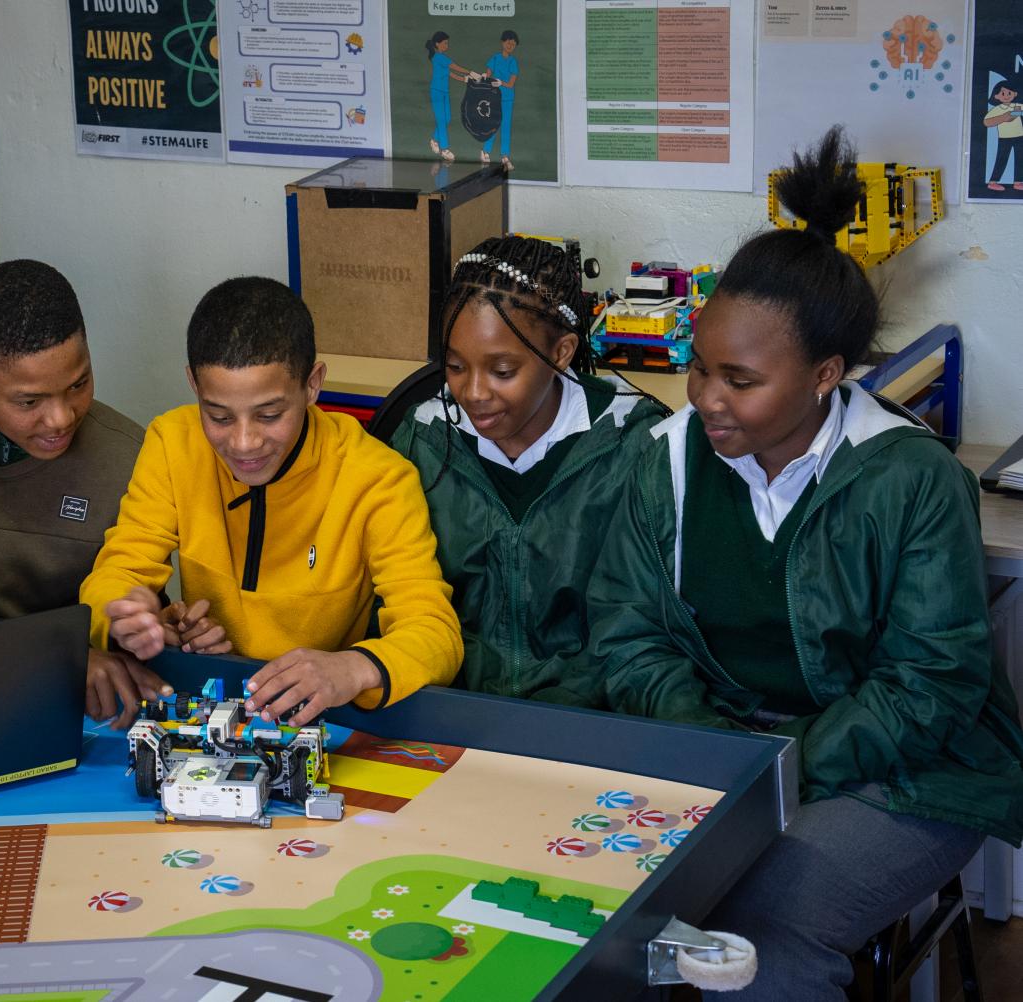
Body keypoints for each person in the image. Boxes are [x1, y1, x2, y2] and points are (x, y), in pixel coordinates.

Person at [587, 127, 1023, 1000]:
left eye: (739, 381)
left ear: (827, 374)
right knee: (608, 920)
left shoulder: (910, 477)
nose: (706, 398)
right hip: (725, 756)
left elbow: (931, 684)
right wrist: (719, 757)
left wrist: (781, 774)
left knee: (752, 939)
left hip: (901, 777)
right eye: (698, 368)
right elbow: (629, 636)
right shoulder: (663, 458)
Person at [79, 277, 462, 725]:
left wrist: (352, 667)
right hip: (206, 698)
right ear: (193, 385)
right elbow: (117, 572)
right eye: (218, 415)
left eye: (269, 415)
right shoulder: (172, 443)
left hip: (321, 719)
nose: (244, 442)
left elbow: (437, 633)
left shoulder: (378, 478)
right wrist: (128, 617)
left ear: (313, 384)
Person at [389, 236, 667, 704]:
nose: (473, 392)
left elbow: (643, 630)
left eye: (501, 370)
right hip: (451, 709)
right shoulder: (423, 443)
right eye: (455, 366)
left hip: (594, 717)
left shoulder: (634, 445)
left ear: (561, 353)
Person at [0, 259, 166, 727]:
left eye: (78, 384)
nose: (61, 418)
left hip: (86, 701)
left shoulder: (133, 458)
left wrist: (122, 637)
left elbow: (130, 610)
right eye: (29, 401)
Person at [425, 31, 479, 162]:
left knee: (447, 118)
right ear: (437, 44)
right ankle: (445, 149)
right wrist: (471, 72)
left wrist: (465, 79)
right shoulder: (439, 57)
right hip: (436, 91)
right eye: (445, 43)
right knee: (442, 120)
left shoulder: (441, 57)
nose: (446, 45)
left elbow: (450, 73)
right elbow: (455, 67)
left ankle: (434, 139)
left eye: (447, 43)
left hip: (444, 91)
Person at [479, 30, 519, 170]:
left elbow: (511, 84)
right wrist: (486, 76)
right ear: (503, 42)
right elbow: (488, 75)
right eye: (508, 43)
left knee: (505, 127)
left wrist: (501, 82)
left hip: (507, 99)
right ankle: (485, 152)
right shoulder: (495, 58)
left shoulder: (513, 61)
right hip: (494, 97)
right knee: (493, 126)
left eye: (513, 44)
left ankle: (505, 157)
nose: (510, 46)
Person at [983, 79, 1023, 192]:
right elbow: (987, 122)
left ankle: (1018, 182)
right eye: (1003, 93)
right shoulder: (997, 109)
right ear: (996, 96)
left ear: (1014, 94)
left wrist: (1011, 115)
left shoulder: (1017, 105)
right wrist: (1004, 117)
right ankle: (993, 182)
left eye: (1009, 93)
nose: (1006, 96)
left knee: (1020, 159)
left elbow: (1015, 114)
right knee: (1001, 159)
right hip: (1005, 138)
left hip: (1020, 137)